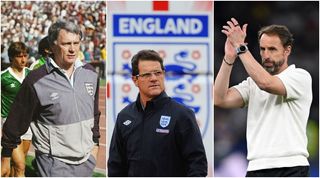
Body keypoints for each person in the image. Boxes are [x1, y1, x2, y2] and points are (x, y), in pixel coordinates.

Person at [1, 19, 101, 177]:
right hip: (53, 165)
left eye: (76, 43)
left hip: (86, 162)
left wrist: (95, 146)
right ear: (53, 45)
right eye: (66, 43)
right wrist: (6, 157)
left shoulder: (90, 73)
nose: (72, 49)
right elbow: (16, 120)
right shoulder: (36, 79)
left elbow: (94, 113)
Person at [214, 18, 312, 176]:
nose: (266, 55)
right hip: (256, 167)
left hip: (291, 167)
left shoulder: (300, 77)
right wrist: (229, 58)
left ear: (287, 50)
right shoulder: (252, 83)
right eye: (262, 49)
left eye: (272, 49)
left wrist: (241, 47)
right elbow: (219, 99)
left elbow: (267, 84)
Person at [108, 49, 208, 177]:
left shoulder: (182, 115)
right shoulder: (124, 116)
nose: (154, 78)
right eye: (147, 75)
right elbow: (115, 166)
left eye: (158, 73)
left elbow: (197, 165)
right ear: (135, 80)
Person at [1, 42, 32, 176]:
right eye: (19, 56)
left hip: (28, 124)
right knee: (20, 165)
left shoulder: (32, 74)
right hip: (10, 124)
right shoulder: (3, 76)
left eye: (25, 56)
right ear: (11, 58)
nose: (23, 59)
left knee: (16, 166)